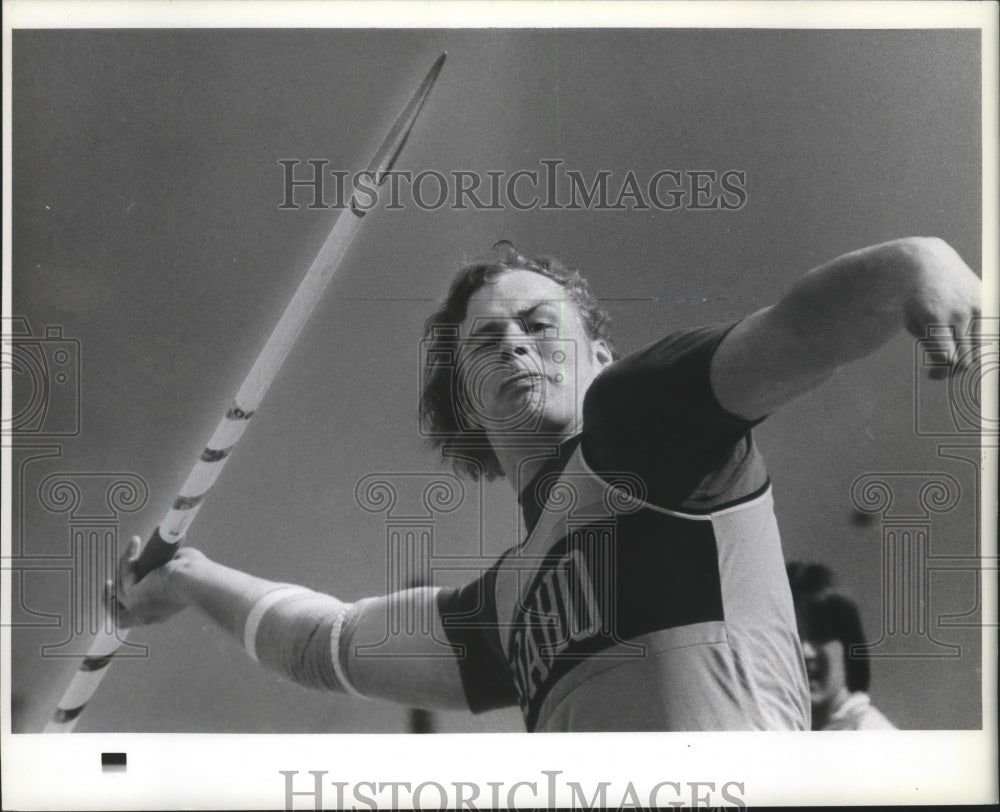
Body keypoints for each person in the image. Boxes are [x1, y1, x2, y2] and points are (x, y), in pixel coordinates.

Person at [113, 236, 980, 732]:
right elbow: (322, 642)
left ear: (598, 355)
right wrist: (188, 576)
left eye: (539, 326)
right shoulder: (500, 611)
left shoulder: (642, 427)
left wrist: (913, 265)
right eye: (487, 343)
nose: (517, 348)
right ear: (465, 398)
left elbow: (793, 334)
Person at [786, 561, 896, 730]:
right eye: (791, 638)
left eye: (819, 634)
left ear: (848, 643)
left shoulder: (874, 736)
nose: (805, 651)